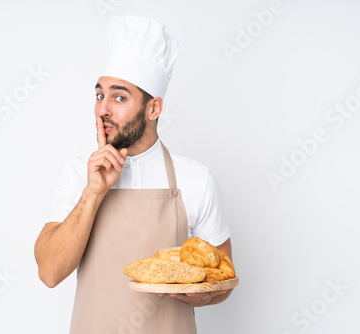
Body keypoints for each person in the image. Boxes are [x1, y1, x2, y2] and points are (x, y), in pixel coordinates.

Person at [35, 16, 234, 333]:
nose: (103, 109)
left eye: (119, 97)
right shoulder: (77, 175)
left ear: (154, 108)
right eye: (100, 95)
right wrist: (93, 193)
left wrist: (201, 295)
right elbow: (49, 271)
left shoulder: (195, 179)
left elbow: (224, 278)